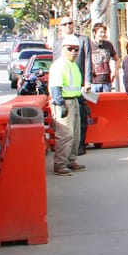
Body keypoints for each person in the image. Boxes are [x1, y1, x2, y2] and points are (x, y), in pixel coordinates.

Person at [47, 34, 86, 176]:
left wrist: (81, 100)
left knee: (75, 135)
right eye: (70, 49)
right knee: (65, 135)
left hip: (74, 101)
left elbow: (75, 86)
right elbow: (55, 86)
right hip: (64, 102)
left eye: (76, 49)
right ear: (63, 49)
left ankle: (71, 160)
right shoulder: (60, 65)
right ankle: (60, 164)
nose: (74, 52)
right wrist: (60, 103)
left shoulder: (73, 65)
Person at [85, 22, 120, 93]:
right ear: (95, 33)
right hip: (94, 82)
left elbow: (117, 59)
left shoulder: (108, 44)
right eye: (101, 32)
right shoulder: (89, 45)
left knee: (106, 103)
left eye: (104, 32)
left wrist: (115, 70)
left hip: (107, 81)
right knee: (94, 103)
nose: (103, 34)